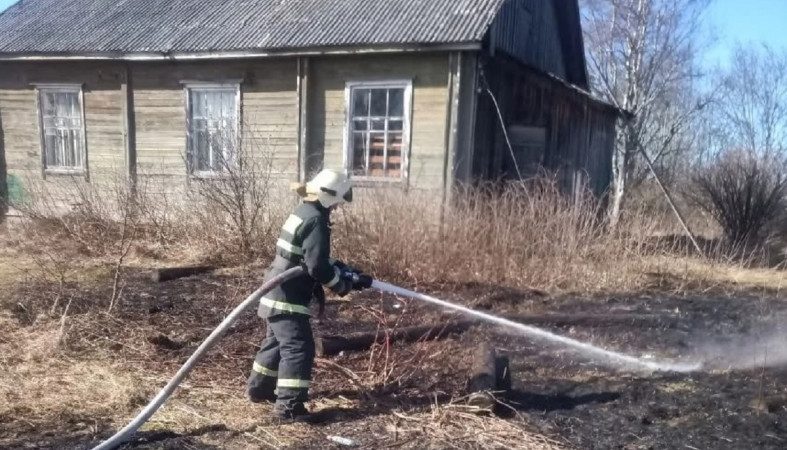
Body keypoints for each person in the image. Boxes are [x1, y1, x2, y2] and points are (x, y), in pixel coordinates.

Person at [246, 169, 373, 422]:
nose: (337, 207)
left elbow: (308, 256)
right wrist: (342, 285)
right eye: (337, 201)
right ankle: (289, 408)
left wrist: (345, 269)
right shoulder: (317, 220)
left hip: (276, 286)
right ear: (329, 197)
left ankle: (259, 389)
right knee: (299, 348)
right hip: (288, 294)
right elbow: (316, 266)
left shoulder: (304, 211)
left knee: (276, 343)